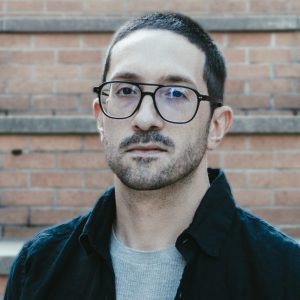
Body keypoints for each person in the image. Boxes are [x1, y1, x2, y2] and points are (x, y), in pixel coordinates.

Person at [4, 12, 300, 300]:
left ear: (216, 127)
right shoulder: (38, 266)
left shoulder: (286, 273)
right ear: (100, 119)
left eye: (175, 94)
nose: (145, 119)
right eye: (126, 90)